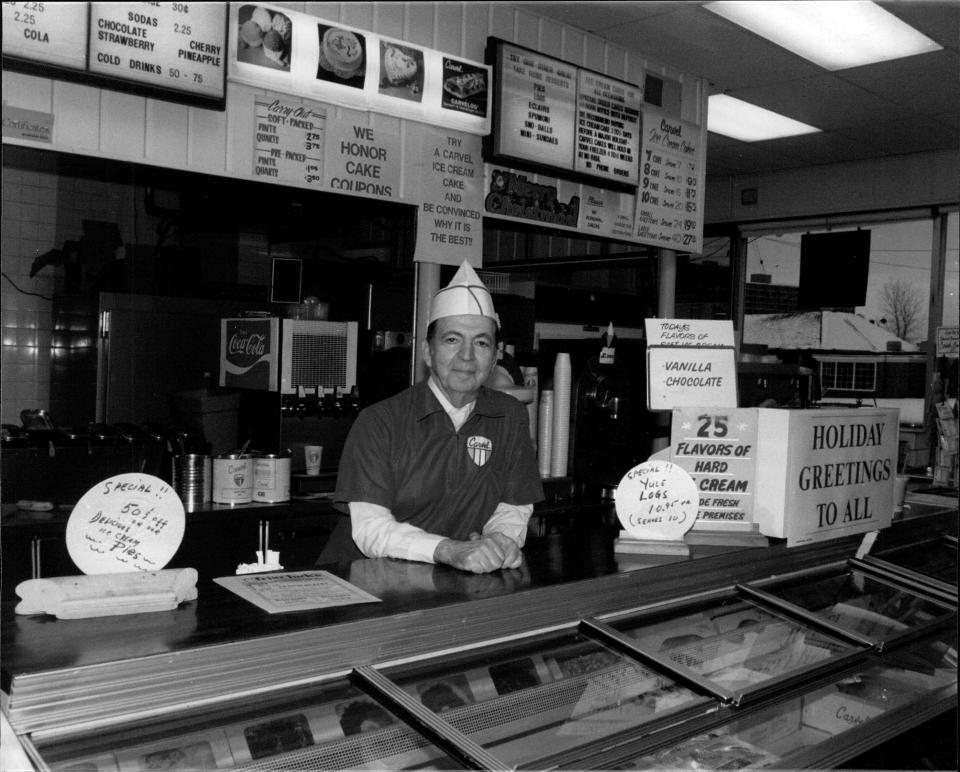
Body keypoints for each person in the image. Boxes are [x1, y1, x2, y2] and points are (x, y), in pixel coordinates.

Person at [328, 261, 544, 573]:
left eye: (481, 342)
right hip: (367, 582)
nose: (467, 356)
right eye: (452, 339)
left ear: (495, 356)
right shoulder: (381, 422)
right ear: (428, 353)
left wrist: (500, 540)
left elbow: (514, 504)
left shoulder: (509, 416)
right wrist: (448, 550)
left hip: (451, 581)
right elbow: (371, 530)